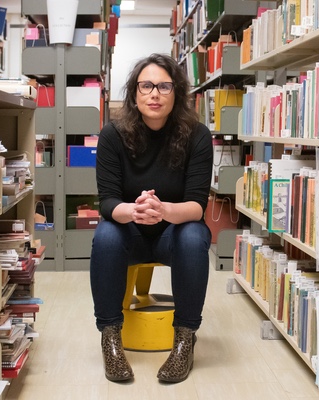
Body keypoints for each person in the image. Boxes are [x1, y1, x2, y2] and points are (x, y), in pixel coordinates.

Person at [90, 53, 213, 383]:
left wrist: (163, 211)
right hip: (129, 234)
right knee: (105, 234)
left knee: (192, 234)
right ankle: (111, 336)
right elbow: (108, 201)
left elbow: (197, 205)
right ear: (134, 93)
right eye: (146, 86)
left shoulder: (197, 135)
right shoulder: (112, 135)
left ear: (177, 92)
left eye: (164, 86)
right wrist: (133, 210)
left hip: (172, 235)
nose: (154, 94)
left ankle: (185, 338)